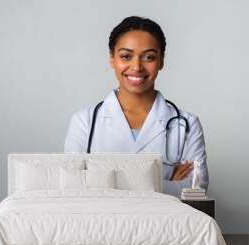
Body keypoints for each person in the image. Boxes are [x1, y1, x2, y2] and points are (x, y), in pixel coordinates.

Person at [64, 16, 208, 196]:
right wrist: (164, 184)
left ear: (161, 61)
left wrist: (106, 182)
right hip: (103, 222)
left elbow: (196, 189)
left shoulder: (187, 123)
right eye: (126, 56)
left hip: (164, 223)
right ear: (112, 59)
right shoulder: (84, 122)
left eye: (149, 57)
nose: (137, 66)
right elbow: (74, 187)